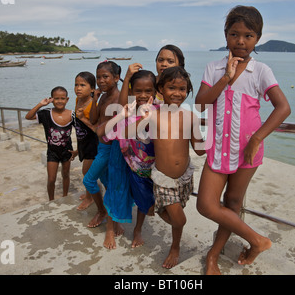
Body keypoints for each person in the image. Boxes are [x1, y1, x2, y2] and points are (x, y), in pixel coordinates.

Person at [195, 5, 291, 274]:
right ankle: (257, 240)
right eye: (234, 34)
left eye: (248, 35)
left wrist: (257, 138)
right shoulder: (214, 68)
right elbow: (201, 103)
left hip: (247, 153)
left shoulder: (260, 71)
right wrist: (226, 77)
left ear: (257, 38)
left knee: (233, 204)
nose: (240, 41)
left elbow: (283, 108)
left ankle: (213, 255)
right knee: (206, 205)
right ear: (225, 35)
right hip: (217, 151)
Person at [139, 66, 205, 268]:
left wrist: (218, 138)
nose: (177, 93)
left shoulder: (190, 117)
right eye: (171, 88)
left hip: (184, 176)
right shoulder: (153, 115)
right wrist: (142, 117)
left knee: (178, 219)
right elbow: (132, 132)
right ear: (160, 89)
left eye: (182, 89)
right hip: (163, 178)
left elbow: (199, 149)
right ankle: (157, 207)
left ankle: (175, 246)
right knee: (180, 219)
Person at [104, 70, 158, 248]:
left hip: (144, 163)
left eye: (148, 91)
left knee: (144, 197)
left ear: (155, 91)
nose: (143, 95)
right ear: (131, 90)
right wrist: (126, 76)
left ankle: (138, 230)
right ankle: (111, 228)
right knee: (116, 189)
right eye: (138, 90)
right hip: (121, 156)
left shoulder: (157, 111)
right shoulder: (126, 110)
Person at [82, 61, 122, 231]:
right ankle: (114, 218)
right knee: (106, 182)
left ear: (117, 78)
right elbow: (92, 119)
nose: (101, 81)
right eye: (98, 77)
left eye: (105, 77)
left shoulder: (119, 98)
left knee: (89, 180)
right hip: (101, 146)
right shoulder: (104, 96)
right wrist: (95, 98)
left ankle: (102, 211)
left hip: (110, 149)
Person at [25, 86, 75, 201]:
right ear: (52, 99)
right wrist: (40, 104)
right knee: (51, 178)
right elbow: (28, 116)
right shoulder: (46, 113)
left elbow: (81, 132)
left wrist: (77, 151)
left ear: (67, 99)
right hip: (52, 152)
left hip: (67, 151)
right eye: (56, 98)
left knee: (66, 175)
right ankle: (51, 200)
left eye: (62, 98)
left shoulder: (72, 114)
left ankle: (65, 196)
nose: (60, 101)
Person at [118, 44, 185, 106]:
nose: (164, 64)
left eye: (170, 61)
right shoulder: (148, 82)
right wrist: (127, 78)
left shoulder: (181, 86)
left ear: (180, 65)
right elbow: (122, 108)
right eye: (160, 60)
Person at [73, 72, 99, 211]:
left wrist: (82, 118)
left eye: (83, 85)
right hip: (83, 143)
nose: (78, 88)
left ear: (92, 89)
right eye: (76, 84)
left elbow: (97, 129)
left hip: (93, 145)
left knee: (86, 173)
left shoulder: (91, 106)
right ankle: (90, 192)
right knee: (88, 173)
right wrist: (78, 149)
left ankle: (90, 198)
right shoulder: (78, 101)